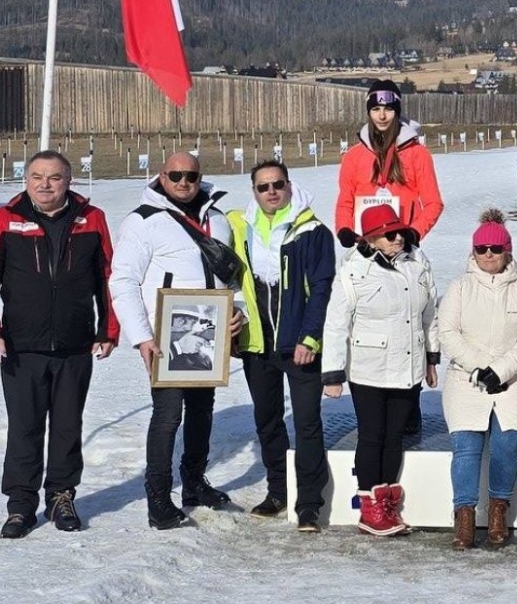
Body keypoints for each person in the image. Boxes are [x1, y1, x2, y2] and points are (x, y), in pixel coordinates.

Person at [110, 152, 245, 530]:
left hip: (209, 330)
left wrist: (238, 312)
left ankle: (194, 482)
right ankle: (158, 496)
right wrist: (141, 337)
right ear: (162, 177)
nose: (183, 182)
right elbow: (122, 281)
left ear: (200, 178)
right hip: (167, 332)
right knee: (168, 415)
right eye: (175, 175)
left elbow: (233, 278)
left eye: (191, 176)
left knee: (202, 410)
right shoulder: (143, 221)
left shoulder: (217, 220)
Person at [0, 151, 119, 539]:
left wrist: (108, 330)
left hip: (74, 344)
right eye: (37, 176)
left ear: (68, 180)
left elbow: (107, 277)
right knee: (24, 428)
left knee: (68, 426)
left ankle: (61, 496)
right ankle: (20, 505)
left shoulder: (92, 218)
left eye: (54, 177)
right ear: (26, 179)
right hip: (21, 345)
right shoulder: (7, 218)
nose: (45, 184)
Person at [228, 160, 335, 533]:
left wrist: (310, 337)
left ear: (289, 186)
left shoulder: (313, 231)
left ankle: (308, 502)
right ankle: (278, 491)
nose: (271, 192)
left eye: (278, 184)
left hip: (299, 344)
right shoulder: (240, 227)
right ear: (254, 191)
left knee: (307, 423)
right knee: (268, 421)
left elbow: (322, 288)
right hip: (257, 345)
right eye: (263, 187)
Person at [321, 204, 440, 537]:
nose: (398, 238)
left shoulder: (418, 263)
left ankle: (385, 503)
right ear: (372, 239)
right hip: (368, 368)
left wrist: (432, 358)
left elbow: (429, 314)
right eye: (389, 234)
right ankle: (369, 507)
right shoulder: (354, 271)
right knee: (372, 435)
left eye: (400, 231)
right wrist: (332, 374)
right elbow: (335, 324)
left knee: (394, 436)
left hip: (409, 364)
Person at [334, 79, 443, 435]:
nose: (382, 115)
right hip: (367, 253)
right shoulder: (354, 156)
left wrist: (414, 233)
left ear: (398, 110)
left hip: (403, 251)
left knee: (407, 323)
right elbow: (346, 200)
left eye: (389, 108)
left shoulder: (416, 153)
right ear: (368, 111)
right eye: (376, 109)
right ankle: (370, 409)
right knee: (367, 325)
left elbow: (433, 202)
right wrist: (344, 230)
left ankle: (407, 416)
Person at [438, 209, 517, 549]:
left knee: (506, 446)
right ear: (473, 252)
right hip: (466, 379)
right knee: (466, 448)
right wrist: (481, 367)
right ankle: (464, 516)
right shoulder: (460, 287)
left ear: (508, 250)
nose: (489, 255)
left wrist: (502, 370)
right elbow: (447, 332)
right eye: (482, 249)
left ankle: (498, 510)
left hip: (512, 381)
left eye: (496, 249)